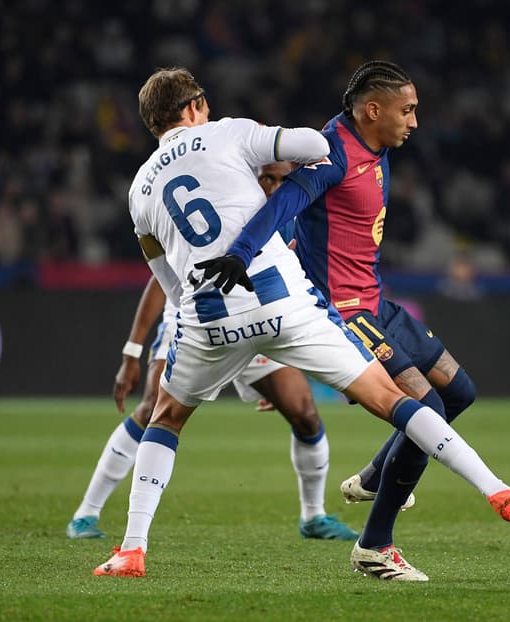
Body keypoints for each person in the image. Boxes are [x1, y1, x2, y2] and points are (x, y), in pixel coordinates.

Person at [94, 66, 510, 581]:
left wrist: (212, 344)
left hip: (210, 314)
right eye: (405, 111)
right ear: (196, 106)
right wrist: (299, 157)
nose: (413, 121)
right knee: (398, 402)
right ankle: (496, 493)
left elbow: (169, 282)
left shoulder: (140, 188)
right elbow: (308, 148)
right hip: (290, 303)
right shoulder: (230, 132)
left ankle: (131, 551)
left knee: (164, 419)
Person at [67, 161, 357, 542]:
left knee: (304, 412)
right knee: (154, 405)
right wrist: (131, 351)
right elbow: (160, 281)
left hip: (255, 315)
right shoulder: (222, 205)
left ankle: (313, 515)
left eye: (283, 180)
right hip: (195, 313)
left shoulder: (288, 215)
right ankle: (86, 514)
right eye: (268, 178)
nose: (276, 187)